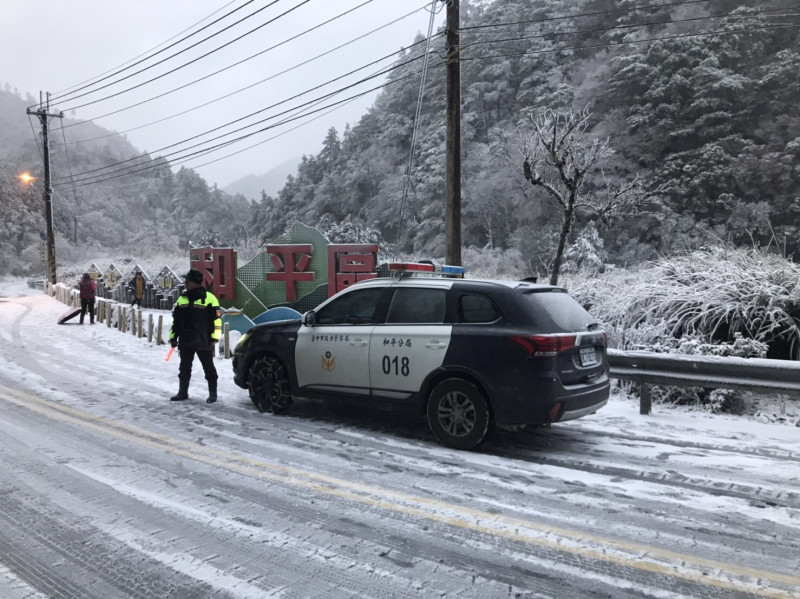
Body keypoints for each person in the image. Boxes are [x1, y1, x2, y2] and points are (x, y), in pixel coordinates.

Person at [168, 269, 222, 403]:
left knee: (209, 368)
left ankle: (213, 394)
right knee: (184, 368)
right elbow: (176, 321)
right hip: (186, 340)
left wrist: (215, 337)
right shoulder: (182, 299)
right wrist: (173, 337)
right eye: (186, 279)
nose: (185, 282)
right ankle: (182, 392)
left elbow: (217, 321)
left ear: (197, 282)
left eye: (188, 280)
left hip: (203, 340)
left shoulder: (210, 298)